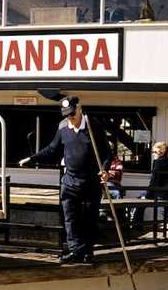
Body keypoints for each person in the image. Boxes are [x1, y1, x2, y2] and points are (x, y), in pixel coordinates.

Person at [19, 97, 110, 264]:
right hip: (70, 181)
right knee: (70, 218)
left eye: (72, 114)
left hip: (91, 182)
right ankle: (75, 250)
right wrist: (32, 158)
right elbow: (52, 149)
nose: (70, 118)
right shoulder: (63, 127)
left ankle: (87, 251)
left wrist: (104, 170)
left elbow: (106, 153)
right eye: (67, 115)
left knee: (89, 218)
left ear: (80, 108)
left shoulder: (93, 126)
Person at [130, 141, 168, 234]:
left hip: (164, 193)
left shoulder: (159, 162)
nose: (153, 154)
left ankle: (136, 226)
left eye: (154, 152)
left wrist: (148, 196)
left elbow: (154, 182)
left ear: (161, 152)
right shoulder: (167, 161)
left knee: (140, 201)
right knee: (146, 200)